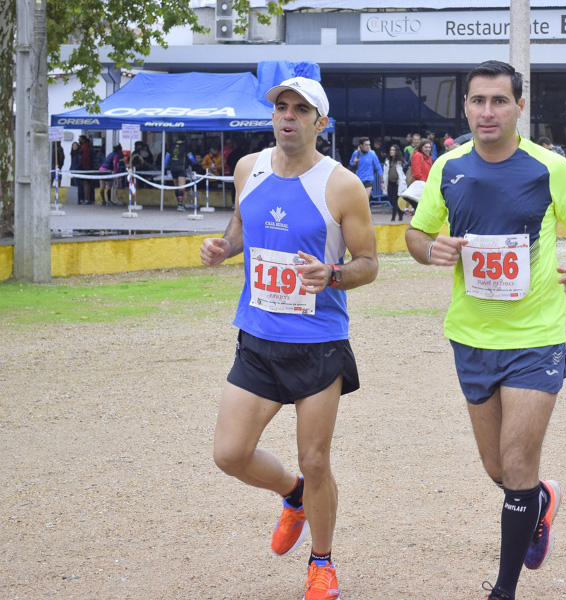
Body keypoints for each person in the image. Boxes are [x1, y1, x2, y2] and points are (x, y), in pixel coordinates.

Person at [404, 60, 566, 600]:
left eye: (498, 101)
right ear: (465, 106)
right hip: (471, 335)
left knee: (517, 462)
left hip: (536, 335)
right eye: (477, 101)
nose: (487, 111)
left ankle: (504, 590)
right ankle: (538, 502)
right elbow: (415, 236)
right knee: (499, 468)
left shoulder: (548, 167)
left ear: (518, 106)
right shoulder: (447, 168)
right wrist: (432, 249)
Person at [199, 76, 379, 600]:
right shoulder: (247, 169)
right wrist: (223, 248)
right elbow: (240, 230)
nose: (288, 116)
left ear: (321, 123)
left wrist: (335, 274)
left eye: (302, 109)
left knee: (315, 458)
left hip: (317, 341)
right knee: (230, 454)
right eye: (282, 107)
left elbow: (368, 264)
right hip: (257, 335)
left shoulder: (342, 185)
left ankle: (321, 564)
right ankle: (292, 496)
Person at [349, 137, 385, 206]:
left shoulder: (372, 154)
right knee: (358, 199)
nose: (368, 146)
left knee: (365, 198)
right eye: (366, 145)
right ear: (361, 145)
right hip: (358, 179)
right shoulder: (356, 153)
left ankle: (365, 214)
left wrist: (382, 181)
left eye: (369, 145)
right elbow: (350, 165)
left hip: (369, 179)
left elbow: (378, 167)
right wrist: (354, 162)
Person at [165, 137, 197, 212]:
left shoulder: (171, 146)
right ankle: (180, 205)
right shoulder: (185, 146)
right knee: (181, 187)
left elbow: (166, 158)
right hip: (181, 168)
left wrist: (165, 167)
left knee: (176, 187)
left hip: (172, 168)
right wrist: (195, 163)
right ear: (184, 140)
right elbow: (191, 157)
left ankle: (179, 204)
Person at [405, 139, 435, 215]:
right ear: (421, 147)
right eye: (426, 147)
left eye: (429, 147)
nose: (428, 149)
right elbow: (416, 173)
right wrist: (425, 182)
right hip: (420, 185)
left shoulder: (429, 158)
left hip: (426, 185)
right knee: (421, 208)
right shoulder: (418, 155)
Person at [383, 143, 408, 222]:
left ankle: (393, 217)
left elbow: (404, 172)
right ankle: (400, 212)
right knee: (390, 199)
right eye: (390, 150)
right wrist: (383, 182)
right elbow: (385, 172)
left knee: (394, 200)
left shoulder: (401, 161)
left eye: (393, 150)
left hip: (397, 183)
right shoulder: (387, 160)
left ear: (397, 151)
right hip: (390, 182)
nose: (391, 151)